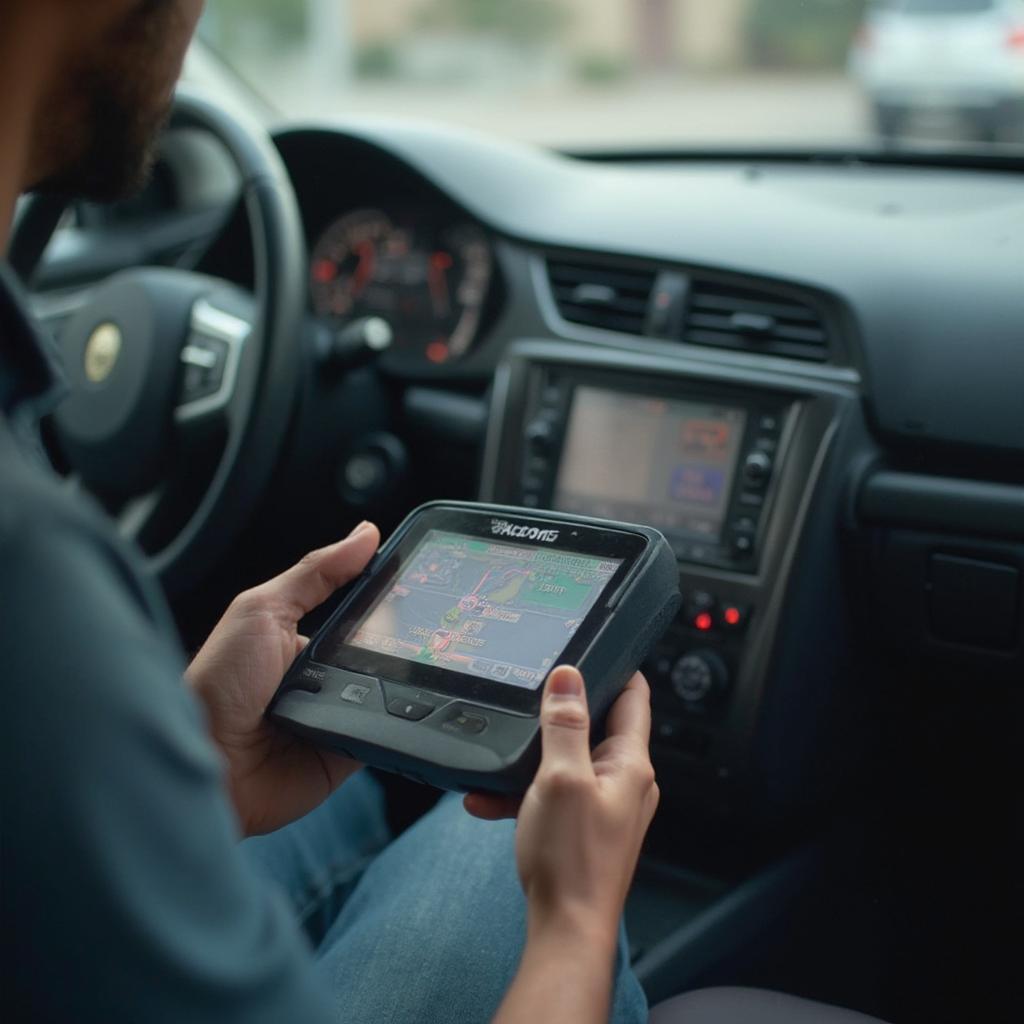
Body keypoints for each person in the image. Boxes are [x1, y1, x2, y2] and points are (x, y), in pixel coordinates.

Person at [0, 3, 660, 1022]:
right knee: (491, 835)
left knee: (361, 785)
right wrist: (575, 915)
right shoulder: (29, 576)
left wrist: (197, 775)